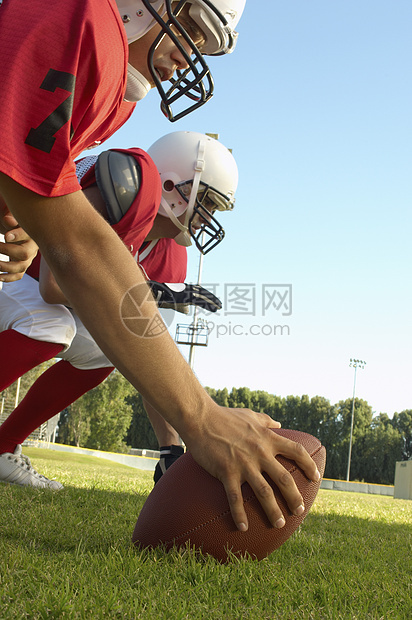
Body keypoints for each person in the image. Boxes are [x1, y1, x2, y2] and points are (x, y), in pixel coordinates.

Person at [0, 0, 320, 533]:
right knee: (53, 323)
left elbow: (140, 333)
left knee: (107, 342)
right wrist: (201, 417)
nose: (191, 55)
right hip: (30, 297)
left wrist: (176, 437)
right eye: (192, 27)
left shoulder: (115, 102)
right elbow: (72, 260)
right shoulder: (87, 25)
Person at [0, 132, 234, 488]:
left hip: (34, 290)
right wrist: (147, 291)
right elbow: (53, 286)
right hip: (14, 264)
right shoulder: (128, 185)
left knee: (105, 350)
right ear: (171, 183)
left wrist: (170, 447)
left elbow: (147, 346)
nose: (208, 216)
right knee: (51, 324)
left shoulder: (170, 254)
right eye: (206, 201)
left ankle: (3, 447)